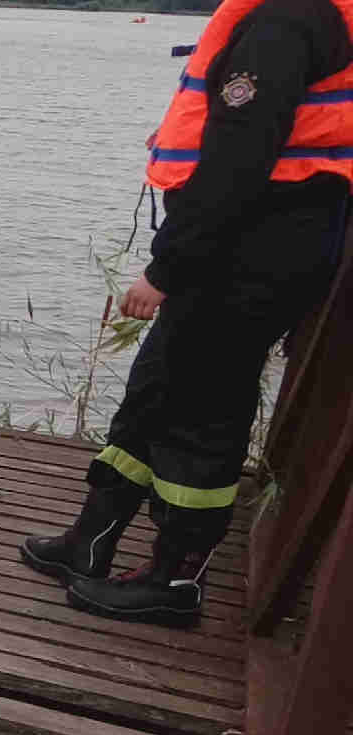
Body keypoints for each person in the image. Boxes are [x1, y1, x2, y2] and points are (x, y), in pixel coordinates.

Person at [22, 0, 352, 626]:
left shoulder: (287, 20)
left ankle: (174, 580)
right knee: (154, 392)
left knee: (204, 413)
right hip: (246, 241)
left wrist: (165, 268)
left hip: (252, 251)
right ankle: (91, 541)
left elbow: (238, 160)